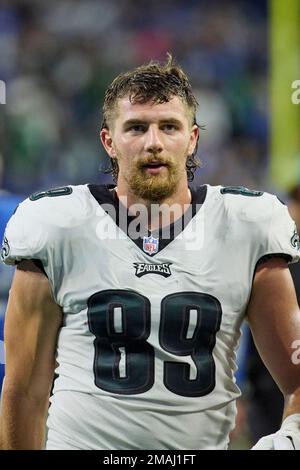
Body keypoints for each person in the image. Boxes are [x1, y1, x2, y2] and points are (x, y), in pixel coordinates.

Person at [0, 55, 300, 450]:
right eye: (136, 128)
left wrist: (291, 439)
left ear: (192, 138)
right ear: (109, 141)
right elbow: (24, 391)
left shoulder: (247, 224)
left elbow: (296, 381)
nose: (153, 143)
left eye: (169, 127)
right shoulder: (57, 224)